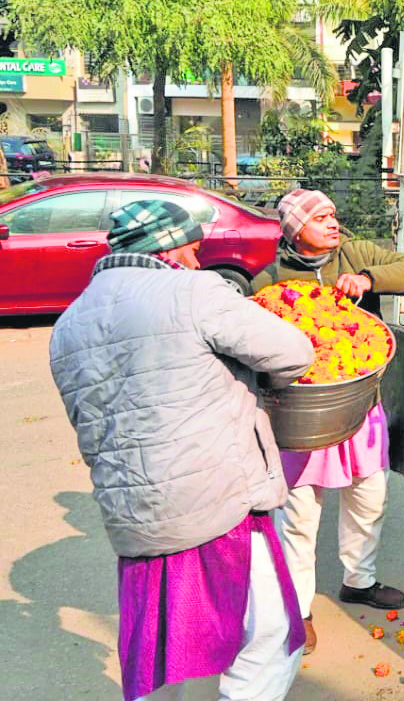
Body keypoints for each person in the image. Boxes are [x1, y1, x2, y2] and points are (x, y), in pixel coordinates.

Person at [49, 199, 316, 701]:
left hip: (134, 514)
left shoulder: (68, 324)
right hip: (216, 498)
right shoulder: (192, 291)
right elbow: (294, 352)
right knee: (271, 632)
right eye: (192, 250)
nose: (197, 260)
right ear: (169, 248)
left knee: (160, 648)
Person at [251, 189, 404, 655]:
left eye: (334, 214)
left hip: (359, 400)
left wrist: (368, 279)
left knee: (368, 498)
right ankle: (300, 608)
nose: (332, 223)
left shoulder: (355, 251)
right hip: (303, 413)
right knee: (299, 515)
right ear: (295, 230)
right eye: (320, 217)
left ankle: (360, 580)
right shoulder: (269, 280)